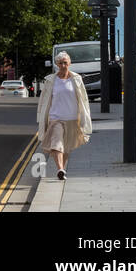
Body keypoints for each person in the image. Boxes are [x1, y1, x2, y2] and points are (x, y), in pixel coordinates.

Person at [37, 51, 92, 181]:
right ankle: (60, 169)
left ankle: (62, 169)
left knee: (66, 147)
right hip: (56, 118)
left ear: (69, 64)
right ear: (57, 64)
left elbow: (83, 99)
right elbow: (43, 99)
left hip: (73, 118)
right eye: (60, 63)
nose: (63, 65)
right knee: (56, 143)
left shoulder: (76, 79)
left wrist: (85, 116)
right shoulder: (51, 80)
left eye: (65, 63)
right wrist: (40, 115)